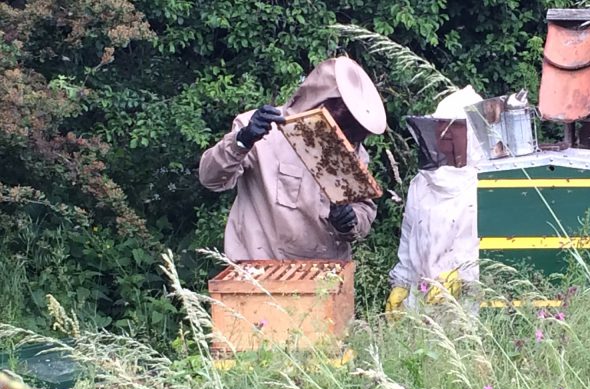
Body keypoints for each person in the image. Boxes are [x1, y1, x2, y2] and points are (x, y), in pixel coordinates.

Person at [198, 56, 386, 261]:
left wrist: (350, 221)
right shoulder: (261, 130)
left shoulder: (355, 152)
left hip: (324, 276)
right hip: (259, 270)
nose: (341, 137)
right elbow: (211, 179)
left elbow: (363, 211)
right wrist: (242, 141)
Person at [385, 86, 484, 315]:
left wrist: (461, 278)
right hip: (420, 305)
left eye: (453, 128)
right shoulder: (422, 184)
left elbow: (493, 253)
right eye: (441, 127)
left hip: (468, 310)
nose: (445, 134)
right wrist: (400, 285)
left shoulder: (486, 184)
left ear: (473, 132)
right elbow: (409, 243)